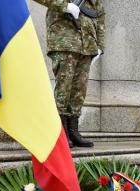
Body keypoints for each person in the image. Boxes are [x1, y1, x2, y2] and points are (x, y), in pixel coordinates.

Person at [33, 0, 105, 148]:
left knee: (79, 91)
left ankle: (73, 131)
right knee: (63, 88)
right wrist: (65, 6)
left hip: (88, 45)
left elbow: (100, 15)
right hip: (64, 40)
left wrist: (100, 46)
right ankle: (60, 131)